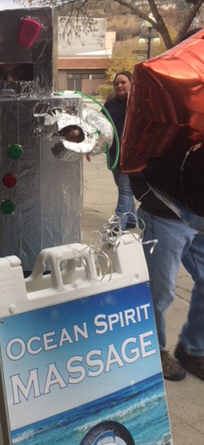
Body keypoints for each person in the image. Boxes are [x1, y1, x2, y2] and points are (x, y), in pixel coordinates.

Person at [127, 30, 204, 382]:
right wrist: (146, 195)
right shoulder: (160, 93)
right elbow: (135, 154)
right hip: (166, 213)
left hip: (197, 214)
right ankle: (153, 352)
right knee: (158, 292)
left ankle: (192, 348)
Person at [103, 71, 137, 230]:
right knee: (123, 189)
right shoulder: (109, 105)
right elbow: (100, 126)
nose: (120, 86)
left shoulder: (137, 104)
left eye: (123, 82)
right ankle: (131, 219)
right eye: (117, 83)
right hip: (113, 154)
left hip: (130, 156)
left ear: (131, 83)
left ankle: (118, 225)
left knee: (125, 190)